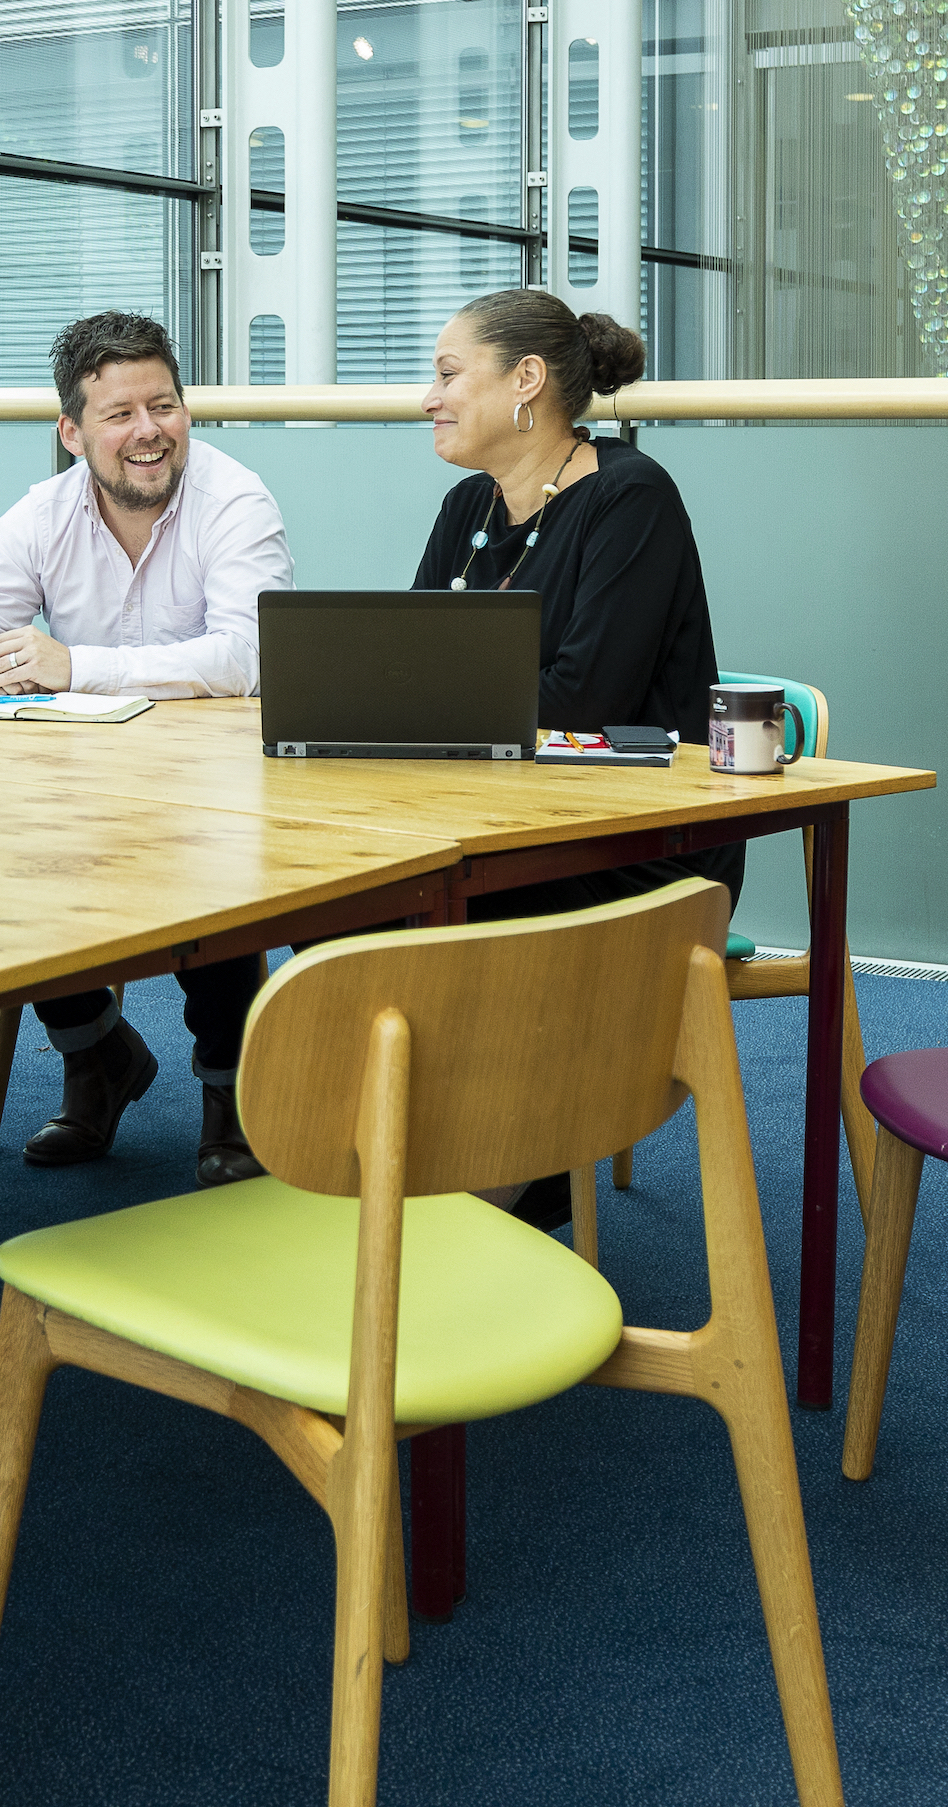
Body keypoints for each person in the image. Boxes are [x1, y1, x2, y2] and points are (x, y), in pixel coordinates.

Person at [0, 310, 293, 1185]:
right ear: (72, 431)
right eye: (119, 414)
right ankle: (95, 1055)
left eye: (162, 406)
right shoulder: (42, 512)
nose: (148, 432)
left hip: (213, 782)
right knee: (18, 851)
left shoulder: (235, 499)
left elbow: (249, 653)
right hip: (80, 783)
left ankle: (229, 1089)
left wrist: (72, 664)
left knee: (221, 868)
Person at [411, 287, 738, 1224]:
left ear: (527, 381)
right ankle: (404, 1157)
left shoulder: (631, 497)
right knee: (346, 911)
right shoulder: (466, 506)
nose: (425, 398)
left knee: (458, 916)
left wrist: (441, 702)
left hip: (633, 840)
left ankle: (502, 1165)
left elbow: (583, 697)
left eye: (444, 375)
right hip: (493, 819)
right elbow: (410, 673)